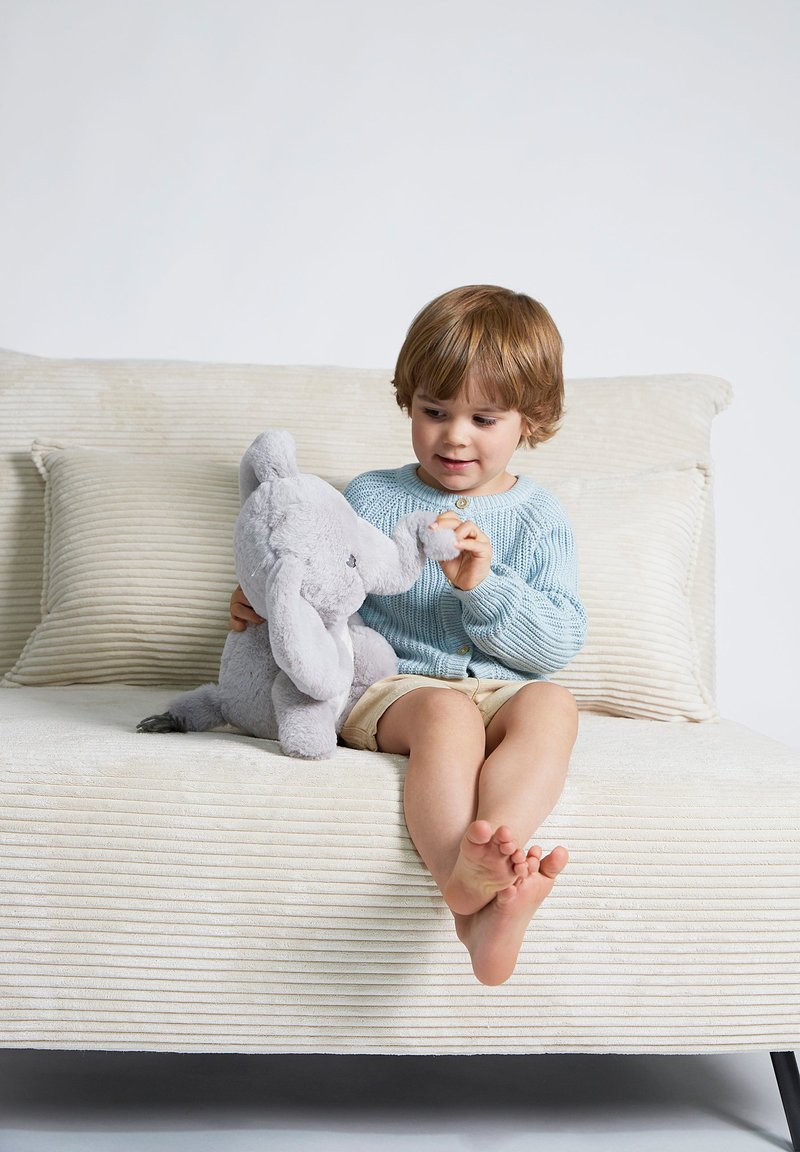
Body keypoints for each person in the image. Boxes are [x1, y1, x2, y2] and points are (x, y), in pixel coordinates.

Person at [230, 285, 587, 985]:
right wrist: (273, 605)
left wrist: (482, 587)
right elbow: (333, 592)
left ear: (531, 420)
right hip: (396, 686)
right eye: (434, 411)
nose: (455, 435)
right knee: (447, 712)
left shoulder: (541, 517)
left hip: (502, 690)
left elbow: (556, 644)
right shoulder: (371, 497)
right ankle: (462, 885)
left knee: (554, 705)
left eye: (484, 418)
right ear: (408, 402)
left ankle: (492, 866)